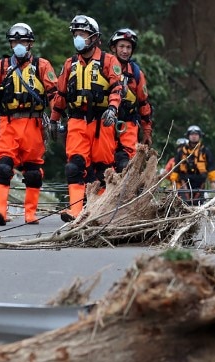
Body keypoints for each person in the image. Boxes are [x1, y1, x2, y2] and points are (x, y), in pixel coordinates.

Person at [0, 23, 58, 226]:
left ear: (30, 44)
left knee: (32, 172)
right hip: (8, 123)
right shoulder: (1, 66)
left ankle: (30, 213)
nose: (18, 45)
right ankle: (0, 210)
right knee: (3, 167)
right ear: (10, 43)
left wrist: (56, 119)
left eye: (22, 41)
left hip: (34, 124)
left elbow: (54, 95)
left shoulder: (42, 66)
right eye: (15, 41)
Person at [48, 14, 124, 222]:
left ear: (94, 38)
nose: (78, 38)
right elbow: (61, 95)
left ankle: (99, 210)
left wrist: (112, 108)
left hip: (102, 122)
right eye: (76, 34)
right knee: (74, 166)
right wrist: (54, 119)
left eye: (83, 34)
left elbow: (118, 88)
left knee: (102, 169)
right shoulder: (70, 64)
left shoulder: (109, 61)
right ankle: (75, 210)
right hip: (77, 121)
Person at [108, 28, 153, 173]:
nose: (125, 51)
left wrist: (146, 131)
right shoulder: (103, 67)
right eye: (121, 46)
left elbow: (144, 104)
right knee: (104, 162)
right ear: (114, 48)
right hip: (106, 122)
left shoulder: (136, 73)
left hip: (128, 124)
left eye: (128, 47)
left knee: (126, 166)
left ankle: (127, 194)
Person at [169, 125, 215, 205]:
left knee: (198, 203)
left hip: (200, 181)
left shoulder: (205, 151)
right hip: (184, 181)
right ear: (188, 136)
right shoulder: (182, 151)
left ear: (199, 136)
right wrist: (173, 182)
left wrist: (213, 182)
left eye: (196, 134)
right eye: (192, 134)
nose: (194, 136)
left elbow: (211, 167)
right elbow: (176, 169)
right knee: (183, 203)